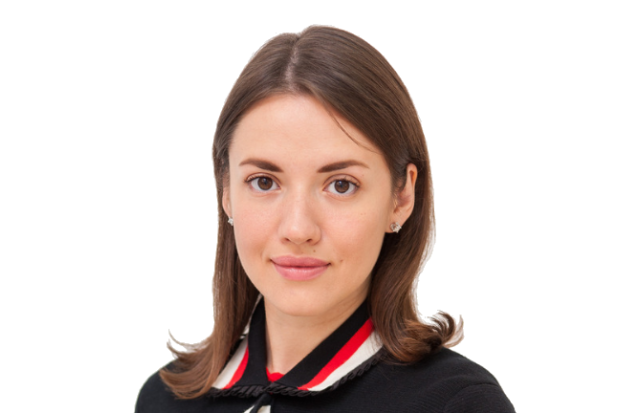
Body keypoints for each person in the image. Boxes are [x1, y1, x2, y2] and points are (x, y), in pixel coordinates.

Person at [134, 25, 515, 412]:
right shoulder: (163, 401)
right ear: (226, 191)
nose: (298, 229)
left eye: (341, 185)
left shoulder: (458, 404)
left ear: (401, 197)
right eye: (264, 182)